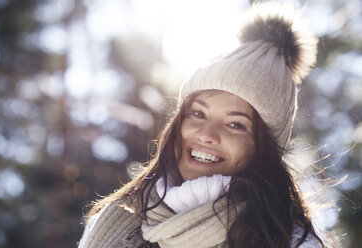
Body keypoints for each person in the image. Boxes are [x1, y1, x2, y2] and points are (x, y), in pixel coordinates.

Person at [78, 2, 325, 247]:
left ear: (263, 149)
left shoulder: (289, 243)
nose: (206, 135)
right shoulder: (115, 227)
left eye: (235, 125)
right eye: (198, 113)